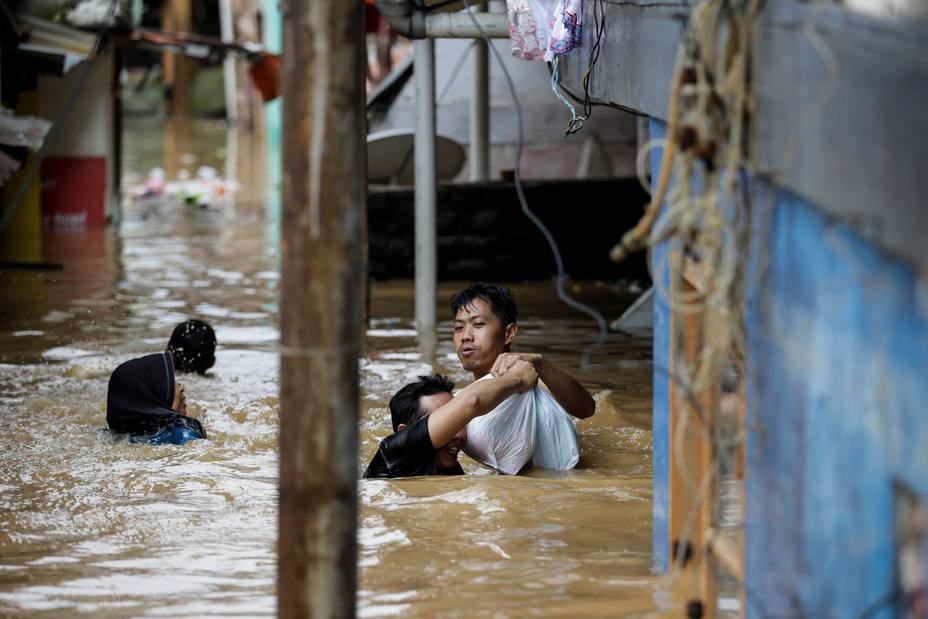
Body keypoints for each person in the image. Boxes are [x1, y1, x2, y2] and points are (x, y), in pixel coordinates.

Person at [363, 361, 538, 478]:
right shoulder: (393, 453)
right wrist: (519, 380)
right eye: (450, 421)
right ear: (406, 431)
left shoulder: (452, 473)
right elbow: (471, 401)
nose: (460, 434)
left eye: (461, 423)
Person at [450, 283, 595, 420]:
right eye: (459, 328)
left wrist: (541, 364)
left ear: (509, 333)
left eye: (478, 324)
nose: (465, 336)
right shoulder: (460, 397)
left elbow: (586, 410)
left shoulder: (533, 385)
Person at [107, 352, 207, 445]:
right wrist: (173, 415)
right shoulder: (184, 435)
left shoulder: (116, 436)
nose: (181, 388)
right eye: (172, 383)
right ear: (149, 396)